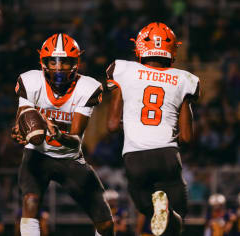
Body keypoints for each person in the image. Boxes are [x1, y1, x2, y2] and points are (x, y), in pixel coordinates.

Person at [11, 33, 114, 236]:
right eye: (53, 62)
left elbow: (75, 142)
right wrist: (19, 129)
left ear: (76, 63)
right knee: (30, 200)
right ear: (43, 62)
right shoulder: (30, 81)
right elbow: (22, 118)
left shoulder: (87, 88)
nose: (58, 68)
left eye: (65, 63)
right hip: (37, 155)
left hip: (69, 159)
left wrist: (58, 134)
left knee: (105, 222)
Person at [106, 22, 199, 236]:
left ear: (140, 47)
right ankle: (168, 212)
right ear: (172, 50)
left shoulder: (124, 70)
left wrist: (131, 123)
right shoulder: (184, 79)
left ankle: (159, 209)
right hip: (167, 154)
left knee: (145, 207)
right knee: (178, 215)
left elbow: (111, 125)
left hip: (134, 156)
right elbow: (186, 136)